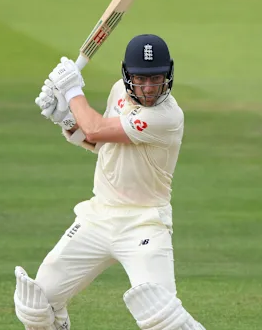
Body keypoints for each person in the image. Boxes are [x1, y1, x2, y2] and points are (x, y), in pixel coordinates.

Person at [14, 34, 206, 330]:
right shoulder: (118, 91)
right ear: (127, 75)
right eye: (140, 79)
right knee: (37, 306)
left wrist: (71, 90)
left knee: (163, 318)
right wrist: (66, 119)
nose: (149, 88)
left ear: (168, 75)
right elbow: (101, 141)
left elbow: (95, 127)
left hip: (144, 223)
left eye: (156, 78)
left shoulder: (167, 116)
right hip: (98, 217)